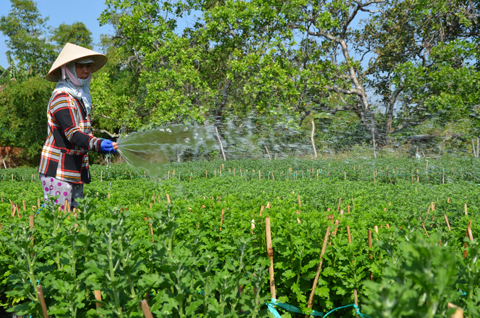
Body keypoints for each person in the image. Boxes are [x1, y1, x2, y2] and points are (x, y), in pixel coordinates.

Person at [38, 43, 118, 209]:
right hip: (58, 169)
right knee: (60, 220)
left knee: (73, 221)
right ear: (68, 70)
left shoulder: (80, 98)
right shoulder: (61, 98)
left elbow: (83, 133)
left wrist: (101, 142)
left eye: (88, 66)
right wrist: (98, 144)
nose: (86, 71)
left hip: (74, 168)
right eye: (80, 66)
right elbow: (72, 133)